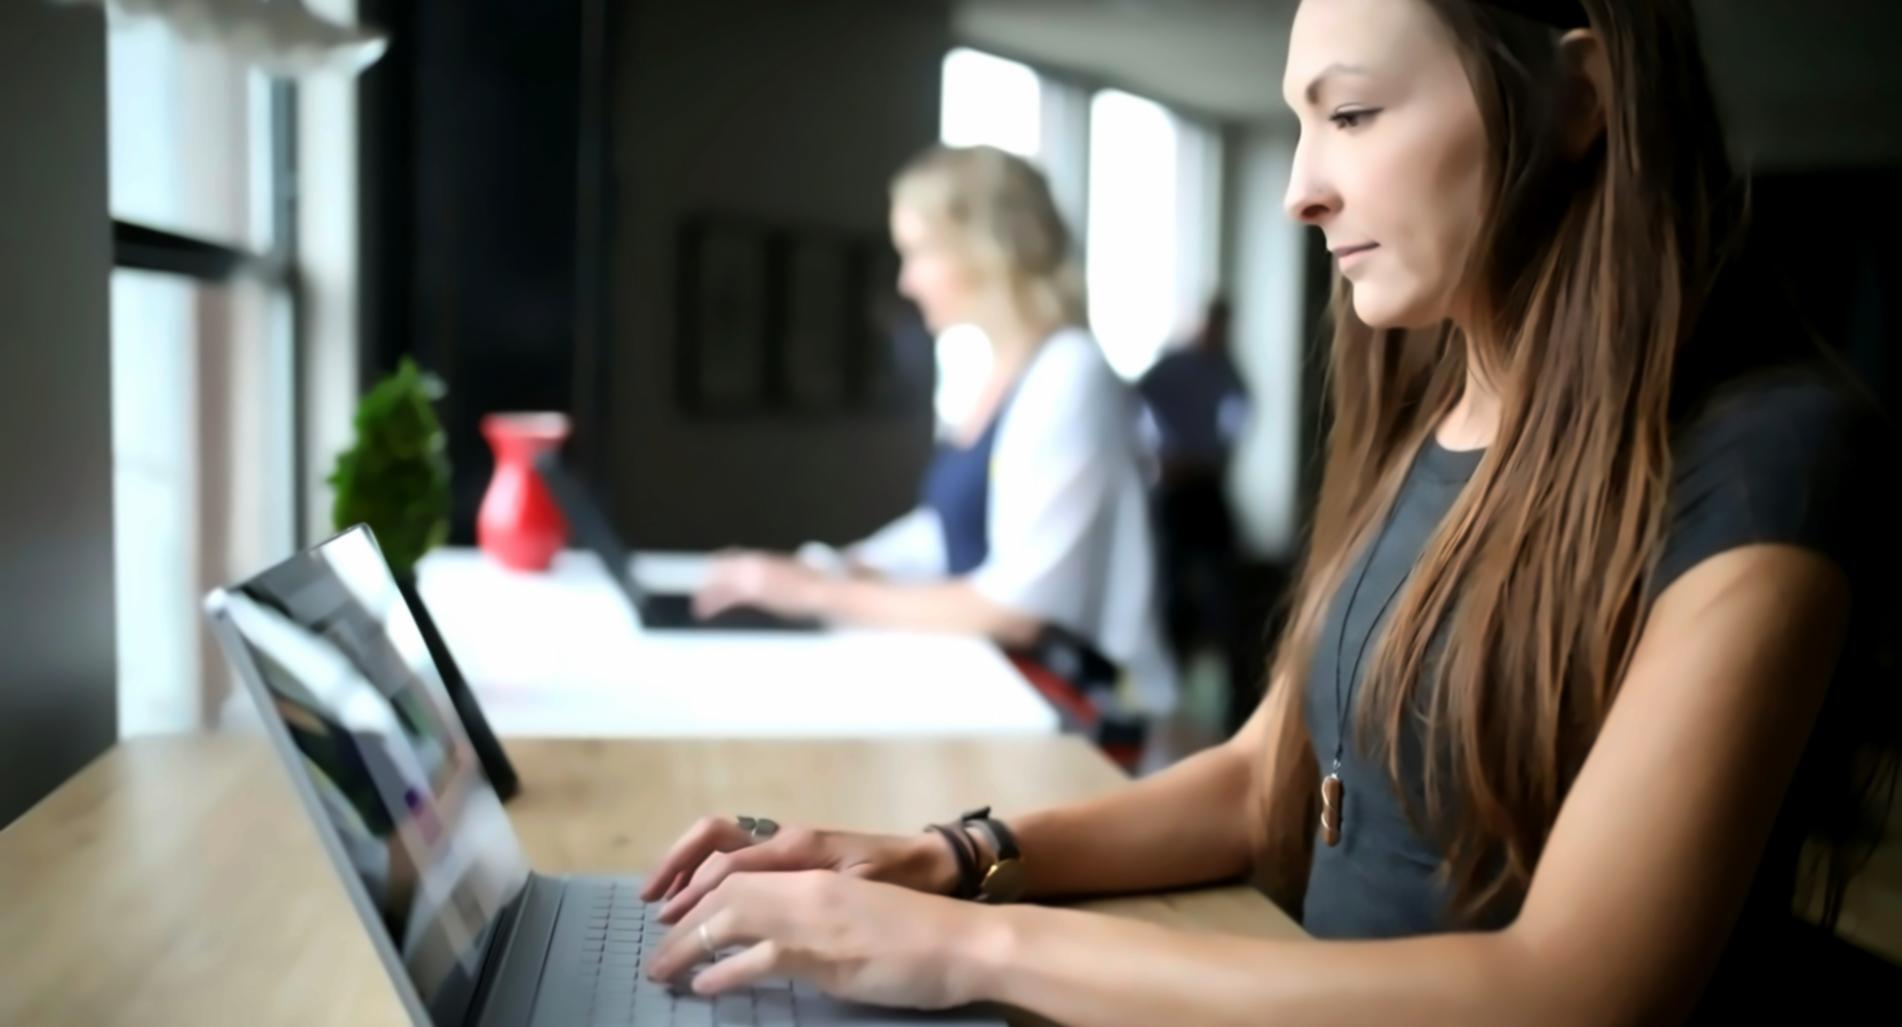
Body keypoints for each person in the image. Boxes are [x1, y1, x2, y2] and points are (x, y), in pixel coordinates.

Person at [639, 1, 1895, 1021]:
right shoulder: (1434, 414)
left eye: (1350, 114)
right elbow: (1260, 777)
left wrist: (982, 950)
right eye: (1305, 125)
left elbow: (1567, 989)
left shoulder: (1767, 458)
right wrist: (950, 855)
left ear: (1579, 98)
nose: (1303, 189)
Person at [694, 143, 1176, 725]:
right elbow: (947, 532)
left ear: (986, 251)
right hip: (1019, 707)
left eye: (918, 252)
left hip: (1090, 728)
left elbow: (1018, 607)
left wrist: (816, 595)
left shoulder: (1070, 374)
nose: (906, 281)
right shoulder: (1000, 373)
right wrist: (829, 566)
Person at [1138, 295, 1250, 675]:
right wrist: (1158, 453)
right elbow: (1137, 402)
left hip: (1206, 487)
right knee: (1170, 581)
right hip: (1173, 488)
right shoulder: (1174, 366)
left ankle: (1226, 667)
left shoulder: (1228, 371)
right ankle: (1170, 667)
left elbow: (1239, 420)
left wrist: (1219, 457)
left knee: (1223, 585)